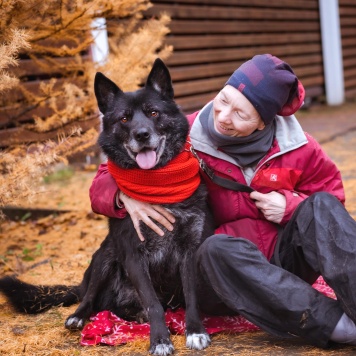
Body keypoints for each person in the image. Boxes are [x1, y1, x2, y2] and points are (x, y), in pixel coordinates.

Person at [89, 54, 356, 348]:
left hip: (284, 261)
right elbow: (105, 177)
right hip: (223, 274)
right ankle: (337, 326)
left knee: (319, 205)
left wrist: (290, 207)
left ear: (263, 121)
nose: (224, 116)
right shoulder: (185, 134)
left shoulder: (300, 147)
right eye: (224, 99)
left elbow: (332, 208)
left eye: (241, 114)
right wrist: (124, 197)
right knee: (215, 248)